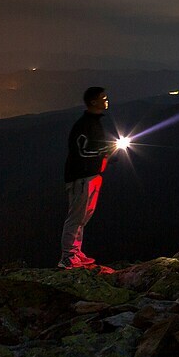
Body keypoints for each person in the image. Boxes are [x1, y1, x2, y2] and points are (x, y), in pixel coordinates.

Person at [58, 87, 113, 269]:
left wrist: (106, 155)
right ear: (93, 102)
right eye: (103, 98)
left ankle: (76, 252)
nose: (106, 100)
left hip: (92, 175)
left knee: (84, 216)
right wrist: (102, 152)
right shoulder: (84, 125)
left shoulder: (94, 123)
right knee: (76, 216)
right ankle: (67, 256)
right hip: (81, 178)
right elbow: (80, 151)